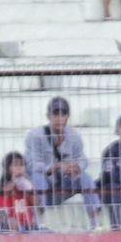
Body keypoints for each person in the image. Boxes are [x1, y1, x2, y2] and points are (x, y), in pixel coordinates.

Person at [24, 96, 102, 228]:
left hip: (65, 183)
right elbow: (31, 164)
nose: (59, 118)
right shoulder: (36, 135)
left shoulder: (74, 135)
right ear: (48, 116)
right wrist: (54, 167)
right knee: (37, 177)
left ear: (67, 117)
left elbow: (83, 159)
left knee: (86, 177)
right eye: (55, 114)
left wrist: (75, 167)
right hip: (45, 185)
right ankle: (37, 222)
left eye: (63, 114)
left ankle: (96, 223)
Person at [0, 151, 38, 231]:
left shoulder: (27, 184)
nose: (19, 167)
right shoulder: (3, 186)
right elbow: (3, 195)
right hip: (10, 225)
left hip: (27, 224)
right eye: (15, 165)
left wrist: (30, 184)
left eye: (22, 165)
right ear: (7, 169)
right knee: (12, 223)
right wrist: (14, 181)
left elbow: (36, 202)